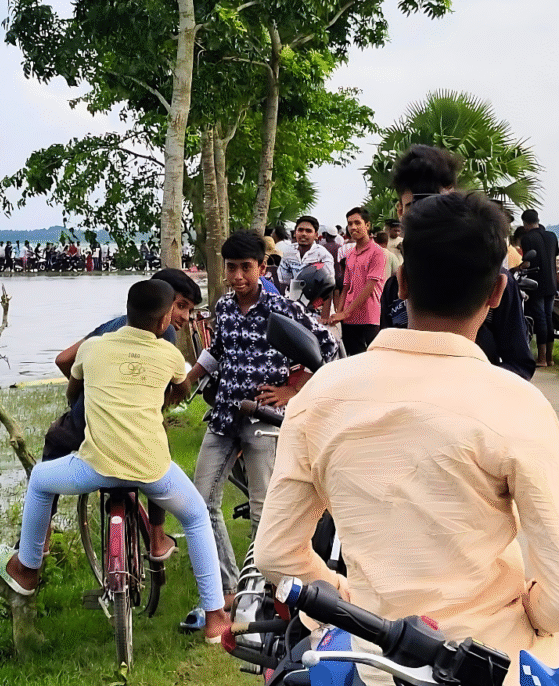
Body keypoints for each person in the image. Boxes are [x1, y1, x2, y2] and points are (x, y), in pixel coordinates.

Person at [255, 191, 559, 686]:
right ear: (498, 292)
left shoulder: (322, 394)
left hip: (372, 660)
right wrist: (535, 613)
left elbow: (276, 554)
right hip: (493, 660)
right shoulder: (517, 405)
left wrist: (349, 604)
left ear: (401, 283)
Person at [0, 279, 229, 638]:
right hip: (152, 470)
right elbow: (181, 390)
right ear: (164, 320)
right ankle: (214, 618)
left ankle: (27, 569)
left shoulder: (92, 348)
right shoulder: (169, 355)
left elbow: (74, 392)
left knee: (41, 479)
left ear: (127, 311)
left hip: (94, 467)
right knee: (197, 517)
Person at [192, 230, 338, 610]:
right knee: (199, 501)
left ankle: (265, 593)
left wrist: (292, 390)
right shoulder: (224, 307)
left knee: (264, 509)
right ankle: (227, 588)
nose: (238, 276)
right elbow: (217, 350)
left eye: (246, 267)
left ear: (261, 267)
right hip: (225, 414)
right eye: (231, 268)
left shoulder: (280, 307)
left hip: (263, 417)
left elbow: (327, 347)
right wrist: (187, 380)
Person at [379, 145, 534, 379]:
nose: (428, 217)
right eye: (416, 207)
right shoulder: (393, 287)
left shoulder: (488, 276)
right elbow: (384, 360)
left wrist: (472, 384)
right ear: (400, 211)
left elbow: (519, 363)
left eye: (439, 204)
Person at [326, 207, 385, 355]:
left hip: (369, 317)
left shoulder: (377, 252)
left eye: (357, 223)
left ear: (367, 225)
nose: (353, 227)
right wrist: (339, 313)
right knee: (353, 359)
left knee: (373, 359)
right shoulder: (351, 255)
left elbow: (369, 287)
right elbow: (346, 287)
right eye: (350, 224)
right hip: (349, 320)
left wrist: (345, 313)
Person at [518, 209, 558, 367]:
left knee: (540, 318)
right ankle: (549, 358)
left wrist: (517, 268)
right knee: (548, 317)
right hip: (552, 283)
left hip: (536, 283)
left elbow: (527, 263)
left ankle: (541, 359)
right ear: (538, 220)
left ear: (525, 223)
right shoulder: (552, 236)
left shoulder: (527, 238)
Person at [277, 216, 334, 288]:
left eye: (308, 231)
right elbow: (283, 281)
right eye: (300, 230)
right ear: (295, 233)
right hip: (290, 293)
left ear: (316, 235)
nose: (304, 234)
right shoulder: (288, 252)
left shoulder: (323, 255)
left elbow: (328, 284)